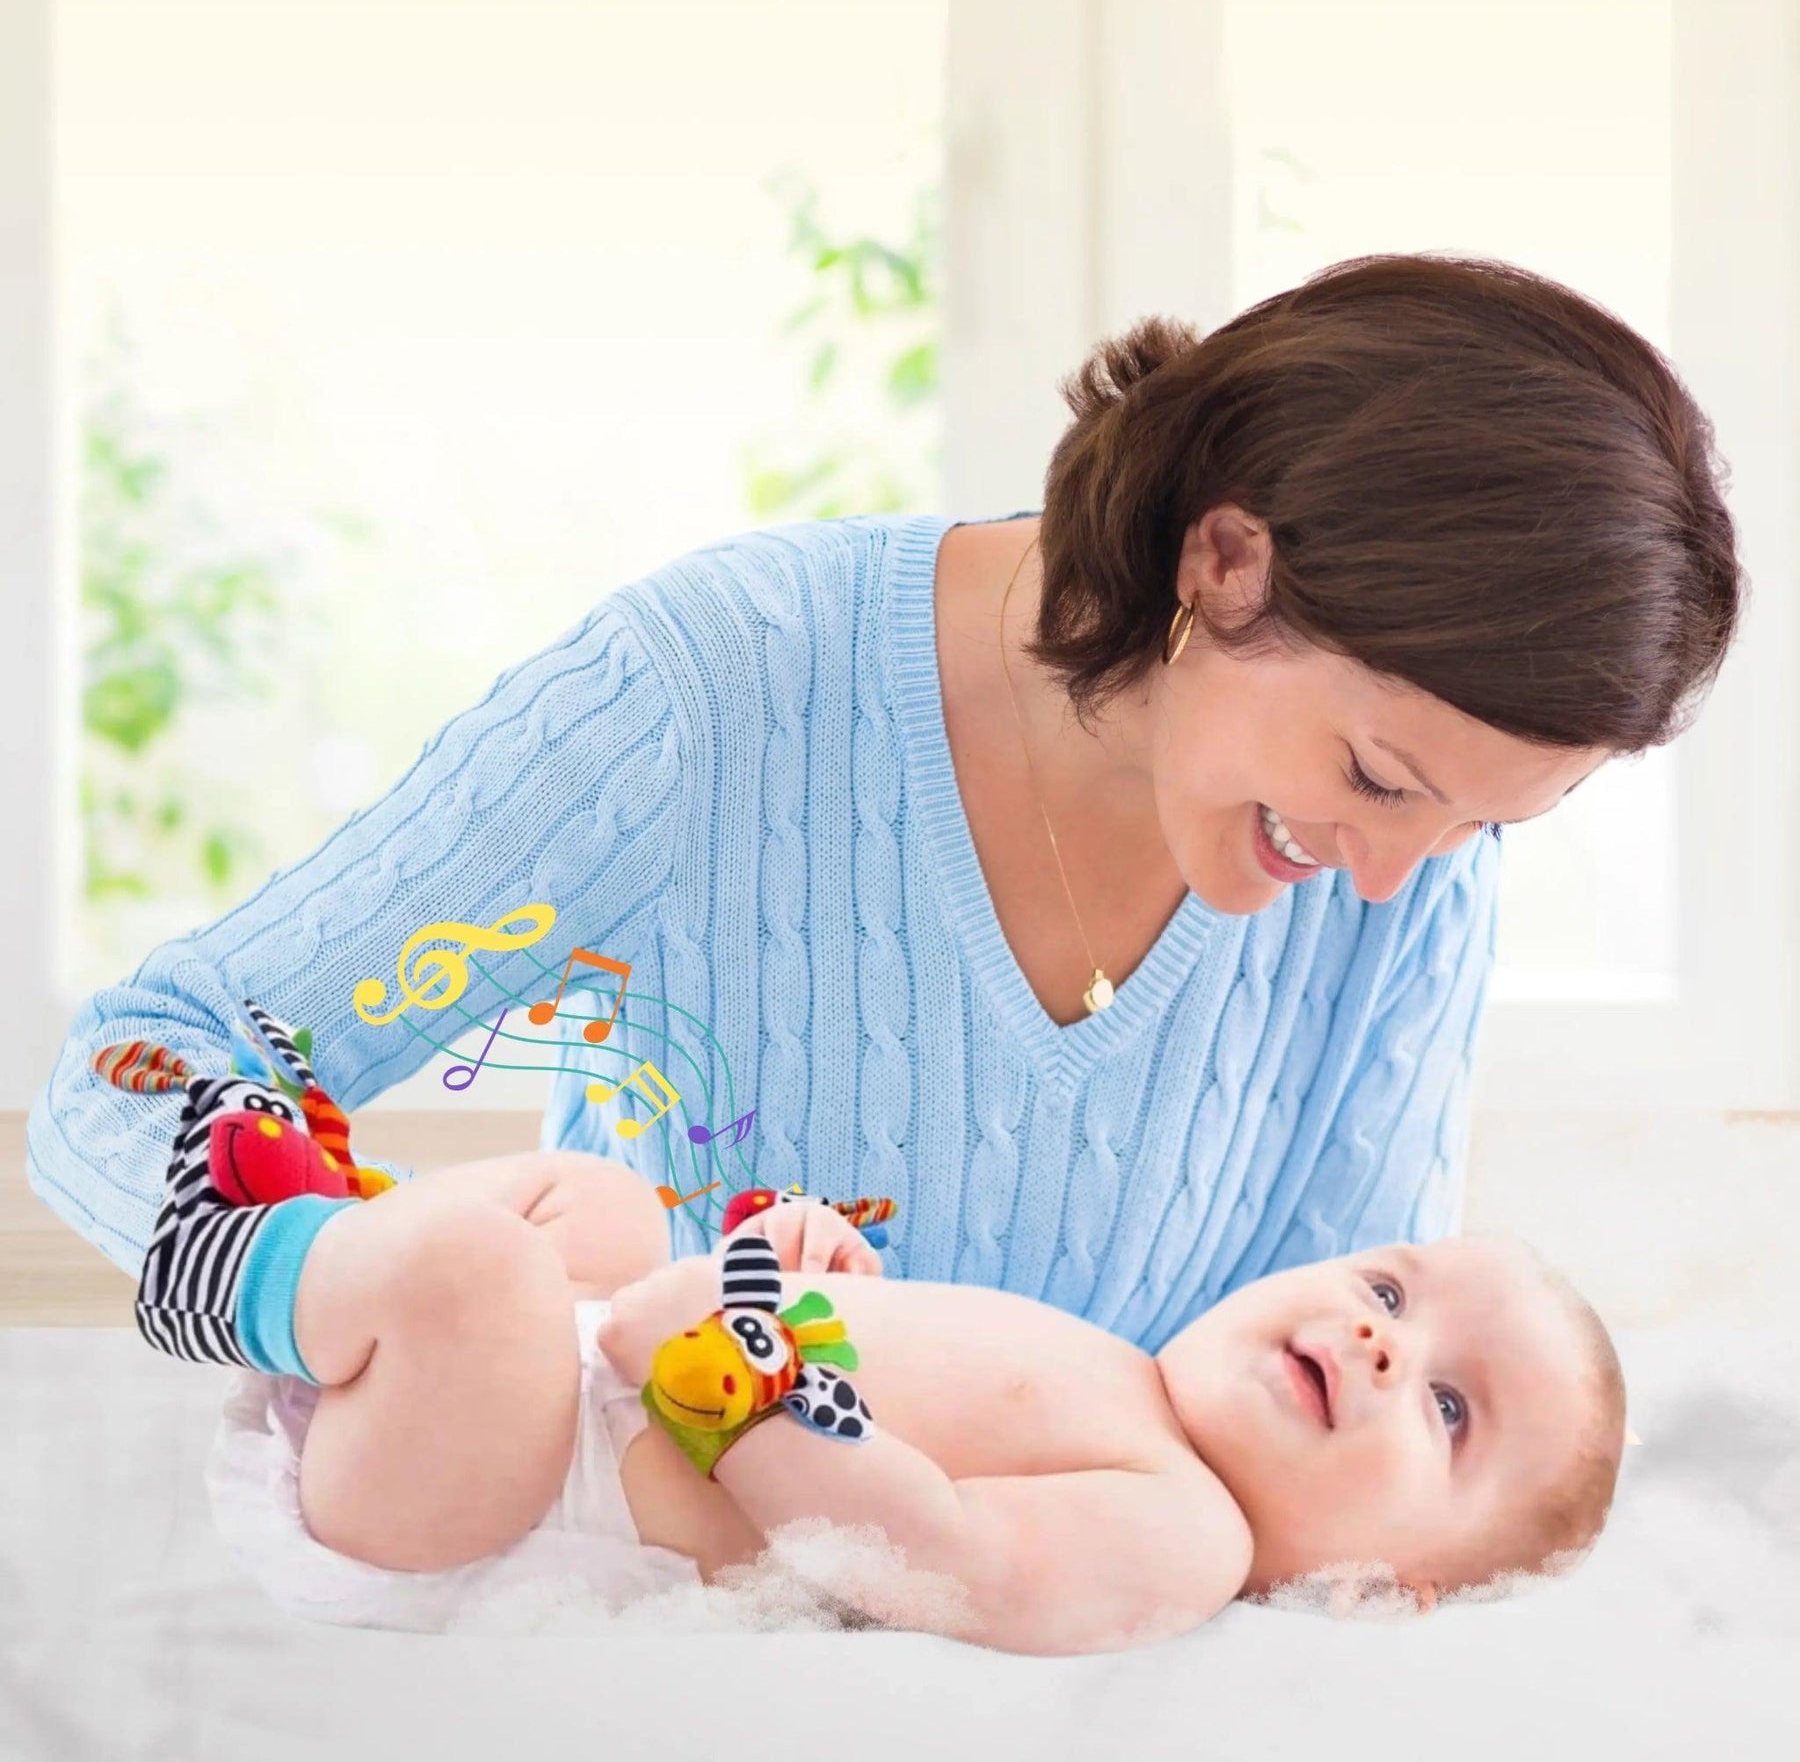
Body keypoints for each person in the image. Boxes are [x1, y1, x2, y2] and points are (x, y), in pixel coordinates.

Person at [27, 252, 1741, 1351]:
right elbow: (141, 1065)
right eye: (1376, 777)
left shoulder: (1407, 871)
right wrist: (358, 1294)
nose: (1391, 879)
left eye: (1477, 827)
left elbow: (1310, 1447)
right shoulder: (718, 697)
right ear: (1226, 562)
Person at [198, 1148, 1626, 1656]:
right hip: (561, 1384)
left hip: (485, 1502)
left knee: (484, 1273)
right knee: (604, 1200)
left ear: (1378, 1593)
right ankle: (349, 1257)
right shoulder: (1121, 1374)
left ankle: (260, 1269)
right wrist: (808, 1280)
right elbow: (881, 1385)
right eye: (1389, 1288)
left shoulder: (1189, 1539)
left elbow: (927, 1548)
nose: (1381, 1343)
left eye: (1451, 1410)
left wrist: (729, 1384)